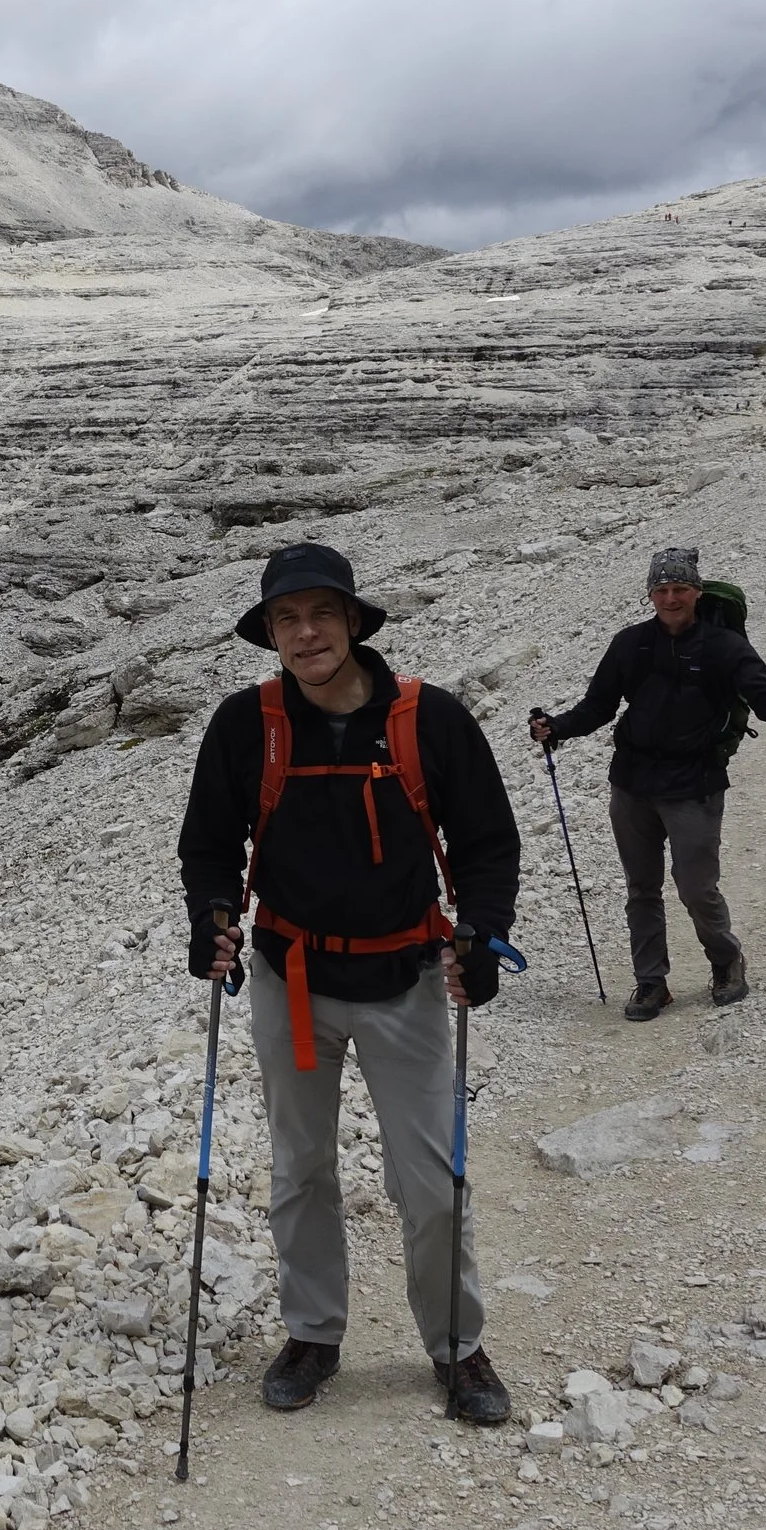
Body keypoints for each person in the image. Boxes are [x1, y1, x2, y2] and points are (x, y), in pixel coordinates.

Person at [177, 542, 522, 1424]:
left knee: (432, 1176)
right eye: (287, 620)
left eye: (321, 614)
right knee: (299, 1169)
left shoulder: (427, 719)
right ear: (270, 635)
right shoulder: (244, 724)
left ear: (356, 621)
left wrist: (483, 931)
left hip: (404, 978)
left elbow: (486, 840)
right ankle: (314, 1333)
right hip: (288, 976)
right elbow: (211, 844)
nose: (306, 633)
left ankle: (456, 1346)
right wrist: (211, 915)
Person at [529, 547, 766, 1022]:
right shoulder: (630, 644)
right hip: (631, 783)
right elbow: (598, 707)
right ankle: (651, 981)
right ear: (651, 593)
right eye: (662, 589)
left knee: (696, 887)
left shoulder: (726, 647)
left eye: (680, 589)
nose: (670, 598)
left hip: (695, 784)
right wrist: (557, 727)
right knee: (641, 888)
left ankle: (724, 960)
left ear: (697, 591)